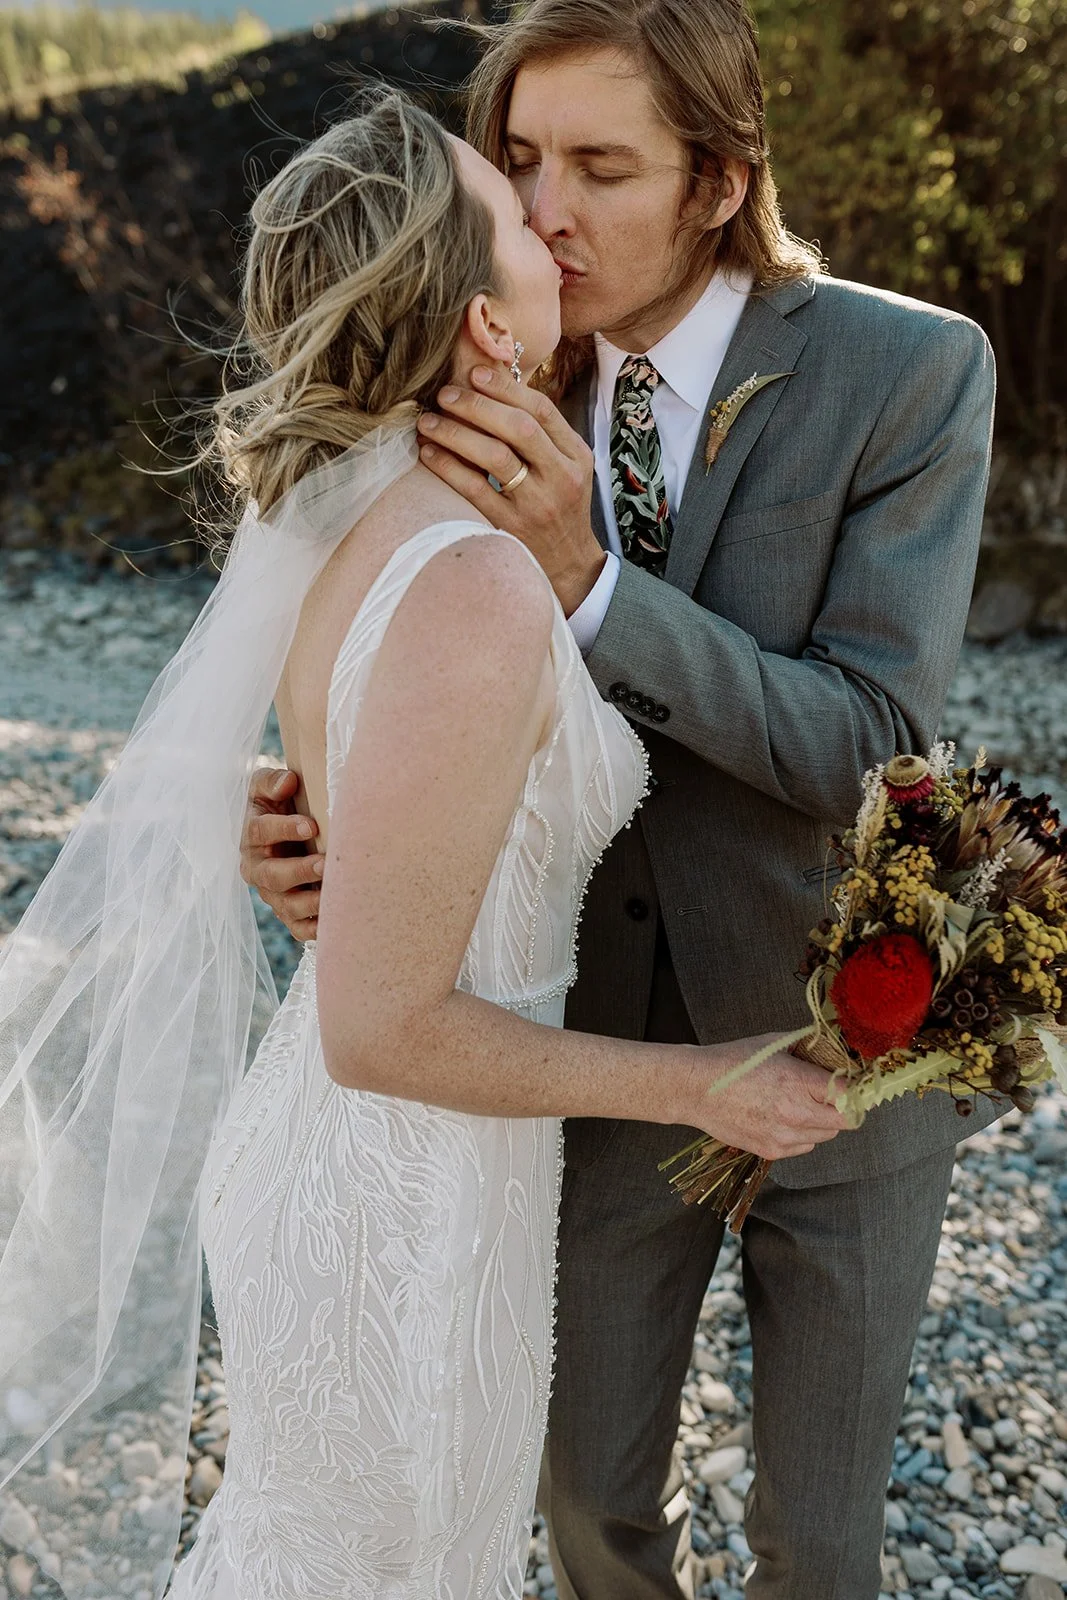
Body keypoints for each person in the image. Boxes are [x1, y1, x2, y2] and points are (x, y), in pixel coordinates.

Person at [0, 89, 843, 1600]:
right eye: (517, 211)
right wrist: (710, 1087)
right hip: (400, 1192)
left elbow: (385, 854)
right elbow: (380, 1024)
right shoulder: (468, 580)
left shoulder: (357, 515)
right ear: (480, 329)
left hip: (408, 1168)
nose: (552, 221)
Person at [243, 4, 998, 1597]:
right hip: (576, 1060)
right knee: (585, 1510)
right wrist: (302, 813)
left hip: (838, 1031)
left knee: (819, 1537)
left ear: (719, 180)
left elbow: (870, 741)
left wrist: (590, 580)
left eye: (600, 165)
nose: (546, 212)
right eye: (518, 162)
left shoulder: (909, 370)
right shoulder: (487, 340)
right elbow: (382, 639)